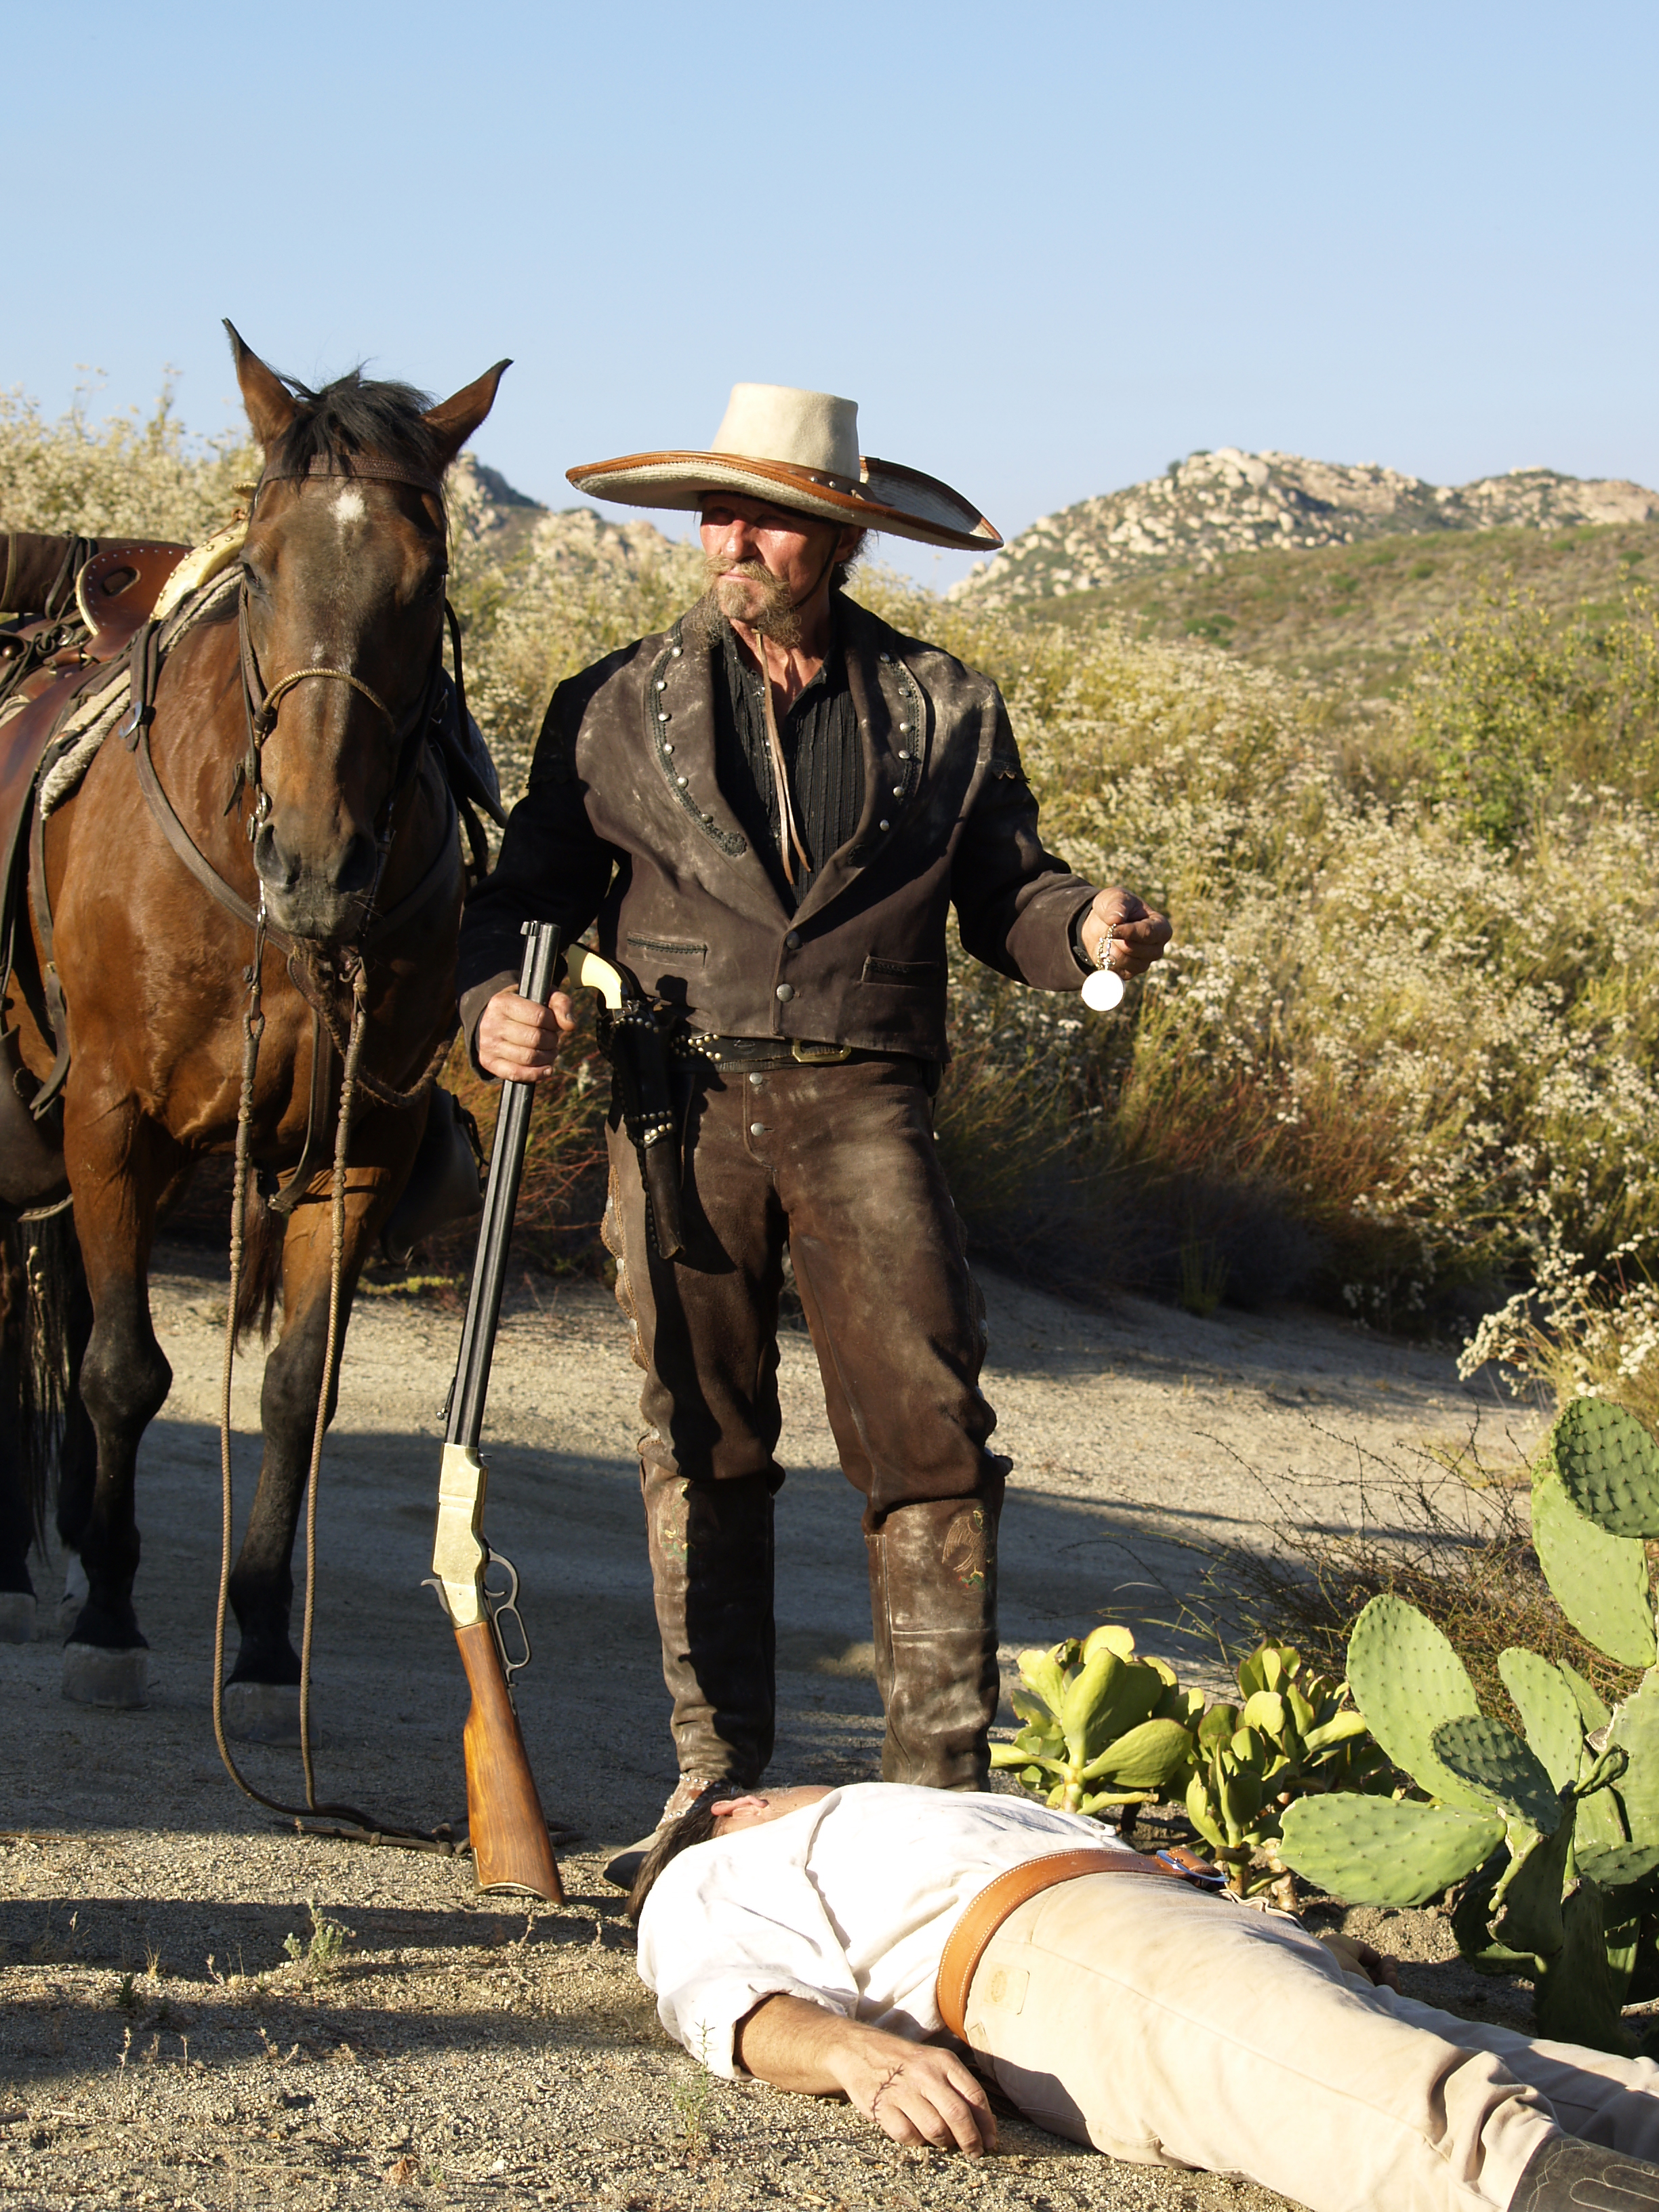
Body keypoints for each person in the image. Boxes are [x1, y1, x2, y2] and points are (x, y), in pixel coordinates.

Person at [457, 384, 1170, 1862]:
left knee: (928, 1435)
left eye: (766, 517)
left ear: (839, 538)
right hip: (678, 1100)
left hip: (865, 1104)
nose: (731, 540)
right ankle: (716, 1790)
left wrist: (1086, 927)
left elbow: (1009, 898)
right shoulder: (605, 707)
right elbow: (517, 909)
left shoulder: (948, 708)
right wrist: (490, 1011)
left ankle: (936, 1803)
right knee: (701, 1438)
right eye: (717, 513)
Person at [628, 1780, 1659, 2212]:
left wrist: (1306, 1947)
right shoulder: (707, 1871)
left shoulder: (922, 1805)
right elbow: (723, 2000)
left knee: (1610, 2100)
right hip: (1057, 1953)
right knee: (1439, 2127)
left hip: (1190, 1930)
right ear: (732, 1808)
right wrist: (861, 2057)